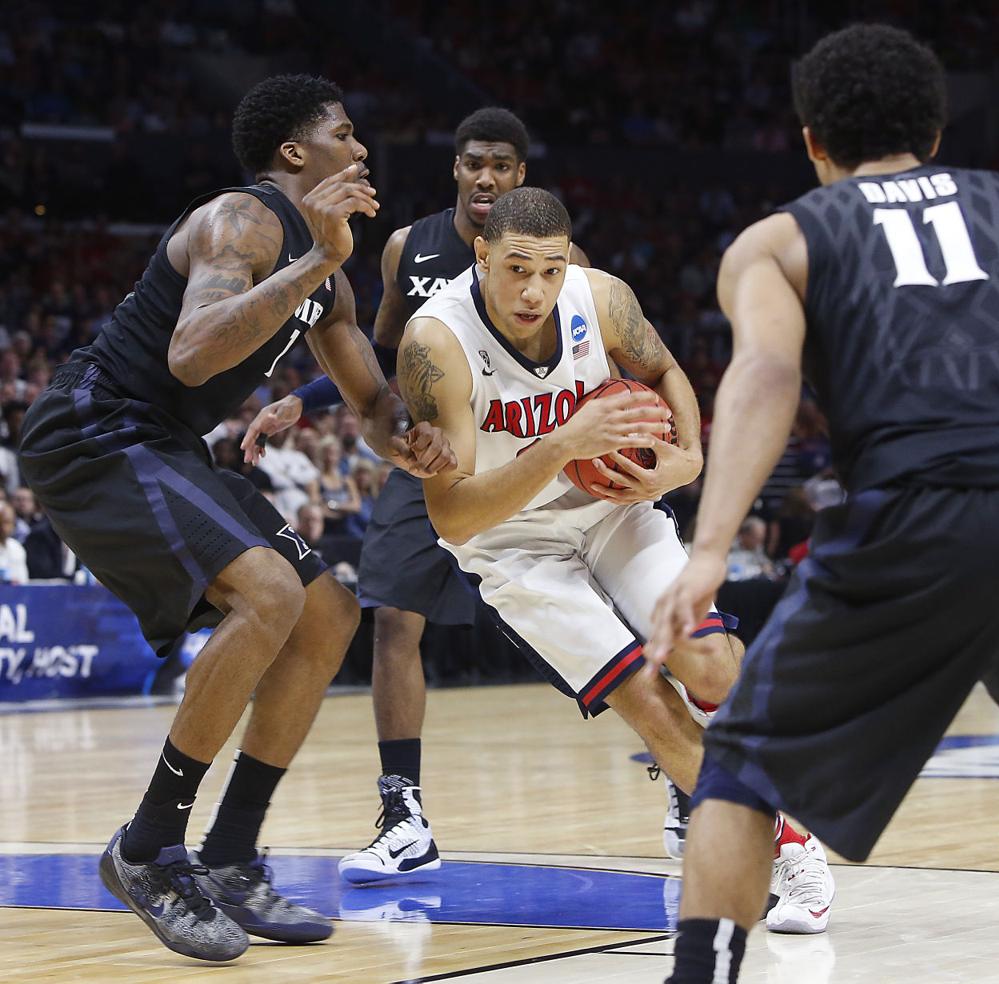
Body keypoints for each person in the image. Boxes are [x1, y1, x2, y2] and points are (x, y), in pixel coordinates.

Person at [647, 24, 999, 983]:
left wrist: (709, 548)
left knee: (740, 758)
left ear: (813, 141)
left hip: (919, 516)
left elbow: (767, 374)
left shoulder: (781, 240)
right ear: (937, 134)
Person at [18, 74, 454, 963]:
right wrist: (319, 261)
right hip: (95, 429)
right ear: (296, 153)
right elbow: (188, 354)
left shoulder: (325, 278)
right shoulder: (242, 222)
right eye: (345, 132)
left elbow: (373, 411)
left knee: (328, 611)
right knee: (266, 593)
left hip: (165, 441)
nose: (362, 147)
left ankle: (228, 856)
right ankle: (147, 848)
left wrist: (415, 440)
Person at [398, 185, 835, 933]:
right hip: (511, 544)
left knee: (710, 668)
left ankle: (743, 761)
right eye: (515, 269)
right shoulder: (435, 343)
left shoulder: (601, 299)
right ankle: (792, 848)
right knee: (647, 703)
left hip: (616, 510)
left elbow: (666, 372)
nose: (534, 289)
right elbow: (453, 513)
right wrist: (564, 442)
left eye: (550, 268)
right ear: (480, 256)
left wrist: (686, 460)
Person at [242, 108, 597, 883]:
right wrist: (305, 398)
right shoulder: (408, 247)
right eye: (474, 163)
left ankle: (681, 781)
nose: (486, 178)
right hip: (430, 459)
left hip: (525, 458)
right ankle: (403, 815)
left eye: (502, 165)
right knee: (391, 622)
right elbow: (377, 356)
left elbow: (593, 357)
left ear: (520, 176)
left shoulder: (551, 259)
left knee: (594, 620)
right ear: (457, 170)